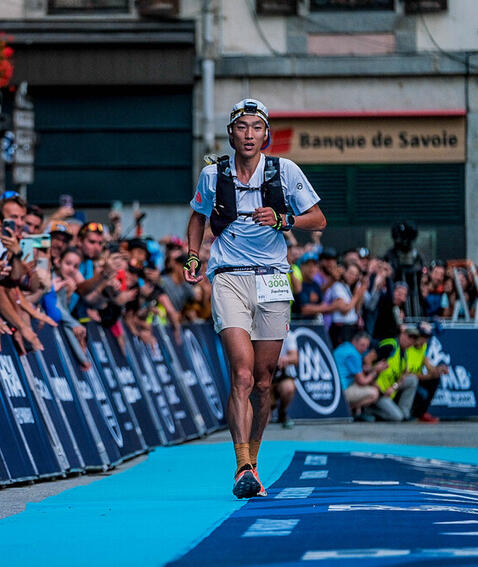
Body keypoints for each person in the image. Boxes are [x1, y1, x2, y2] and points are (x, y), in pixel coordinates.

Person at [184, 98, 326, 499]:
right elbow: (197, 215)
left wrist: (284, 219)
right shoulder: (213, 174)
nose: (249, 134)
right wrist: (193, 255)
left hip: (273, 279)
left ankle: (254, 461)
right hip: (228, 277)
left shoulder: (285, 171)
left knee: (264, 381)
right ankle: (241, 466)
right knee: (243, 375)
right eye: (242, 127)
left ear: (266, 135)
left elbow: (319, 218)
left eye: (256, 127)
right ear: (231, 134)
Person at [371, 325, 421, 422]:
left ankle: (405, 413)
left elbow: (403, 375)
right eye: (409, 336)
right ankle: (369, 411)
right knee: (397, 417)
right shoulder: (390, 345)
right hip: (376, 389)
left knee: (412, 380)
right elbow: (367, 360)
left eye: (414, 339)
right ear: (402, 334)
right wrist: (374, 379)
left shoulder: (404, 353)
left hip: (388, 389)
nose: (411, 341)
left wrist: (394, 387)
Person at [334, 331, 387, 420]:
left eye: (367, 346)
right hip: (341, 391)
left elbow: (354, 369)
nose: (364, 349)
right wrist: (375, 371)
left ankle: (357, 412)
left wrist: (372, 368)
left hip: (335, 387)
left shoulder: (345, 346)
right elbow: (362, 381)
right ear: (354, 341)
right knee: (374, 392)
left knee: (360, 381)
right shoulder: (354, 354)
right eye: (362, 345)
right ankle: (346, 410)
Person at [272, 329, 297, 429]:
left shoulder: (288, 334)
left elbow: (295, 358)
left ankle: (282, 412)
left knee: (288, 387)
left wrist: (284, 359)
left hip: (280, 375)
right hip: (264, 376)